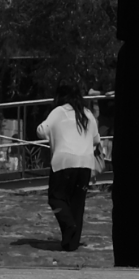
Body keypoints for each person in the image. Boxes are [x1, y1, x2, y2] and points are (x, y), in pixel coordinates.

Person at [37, 84, 98, 251]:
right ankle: (71, 243)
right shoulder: (87, 114)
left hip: (63, 162)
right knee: (78, 203)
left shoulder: (59, 111)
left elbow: (41, 131)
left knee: (56, 199)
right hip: (85, 164)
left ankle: (68, 223)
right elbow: (96, 139)